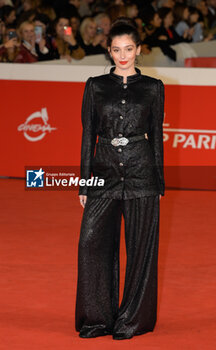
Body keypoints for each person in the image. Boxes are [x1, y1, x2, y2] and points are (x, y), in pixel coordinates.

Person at [75, 17, 165, 340]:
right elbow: (89, 136)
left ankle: (132, 320)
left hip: (143, 176)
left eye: (129, 49)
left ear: (138, 50)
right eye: (116, 49)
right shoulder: (95, 86)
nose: (123, 55)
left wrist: (159, 183)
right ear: (109, 50)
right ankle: (97, 318)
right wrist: (85, 181)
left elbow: (156, 137)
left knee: (141, 249)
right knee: (91, 243)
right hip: (103, 175)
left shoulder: (153, 88)